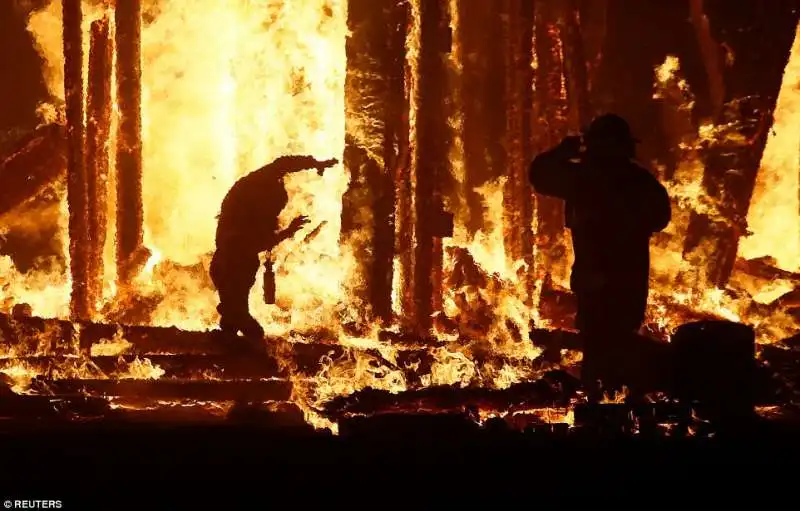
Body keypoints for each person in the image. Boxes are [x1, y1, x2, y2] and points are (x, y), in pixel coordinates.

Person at [528, 114, 671, 390]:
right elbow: (660, 218)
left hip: (595, 282)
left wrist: (562, 152)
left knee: (598, 346)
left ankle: (600, 406)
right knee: (620, 345)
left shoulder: (582, 178)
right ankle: (621, 405)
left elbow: (540, 175)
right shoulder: (639, 182)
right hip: (628, 281)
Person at [210, 155, 338, 339]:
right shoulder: (245, 203)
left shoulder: (246, 198)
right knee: (249, 328)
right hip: (231, 269)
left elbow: (284, 164)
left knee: (233, 319)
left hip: (232, 267)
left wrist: (314, 164)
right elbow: (255, 244)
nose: (277, 213)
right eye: (276, 208)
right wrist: (289, 231)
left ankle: (229, 344)